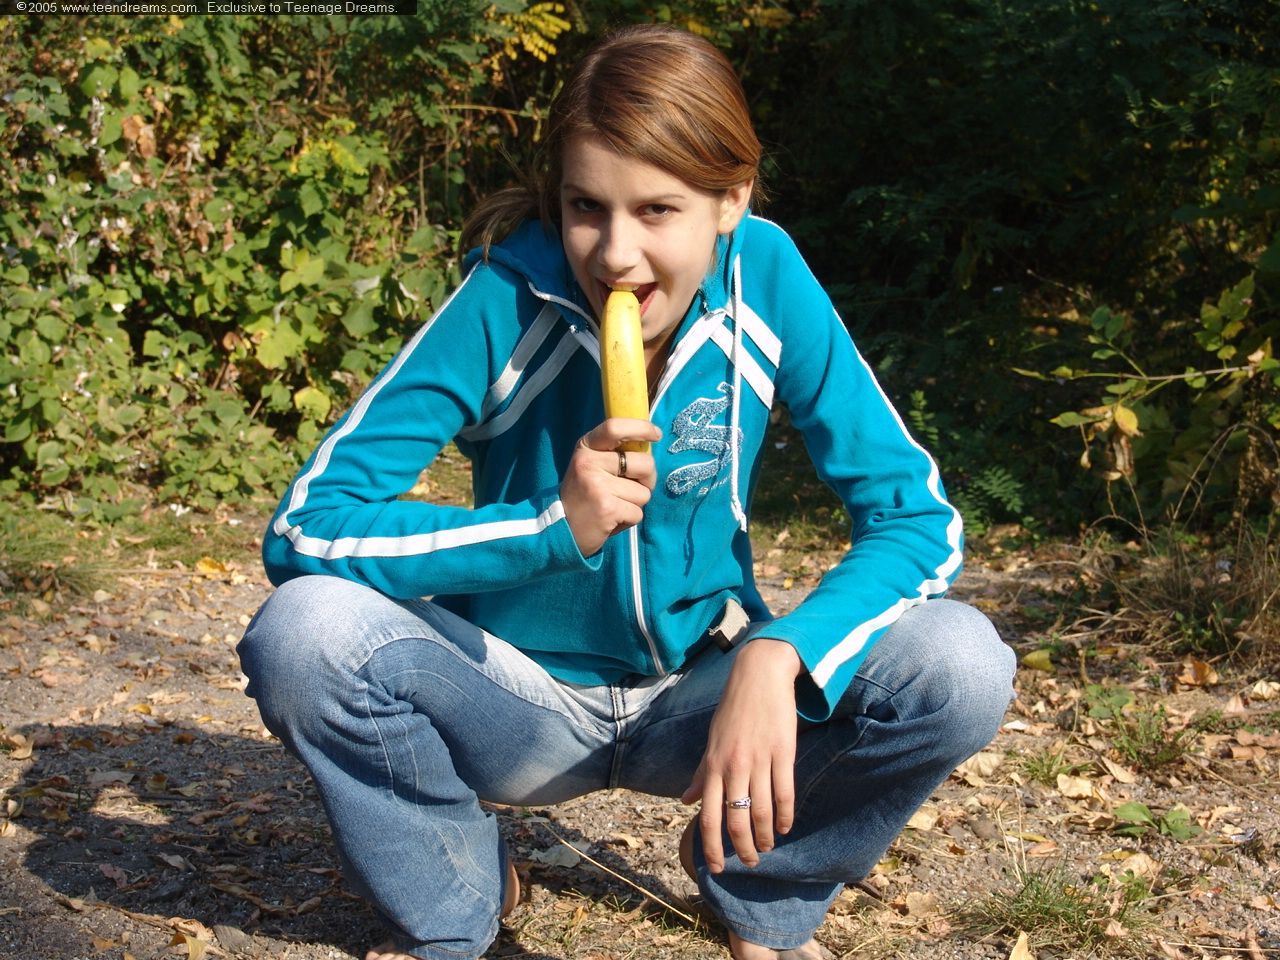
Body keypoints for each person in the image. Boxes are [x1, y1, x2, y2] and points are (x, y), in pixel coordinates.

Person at [238, 22, 1015, 960]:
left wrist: (782, 653)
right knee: (306, 633)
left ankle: (756, 881)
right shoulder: (502, 301)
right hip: (512, 701)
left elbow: (915, 519)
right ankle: (458, 892)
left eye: (657, 210)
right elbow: (306, 528)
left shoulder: (766, 278)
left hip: (699, 701)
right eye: (586, 208)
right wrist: (547, 528)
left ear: (731, 199)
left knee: (958, 663)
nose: (614, 254)